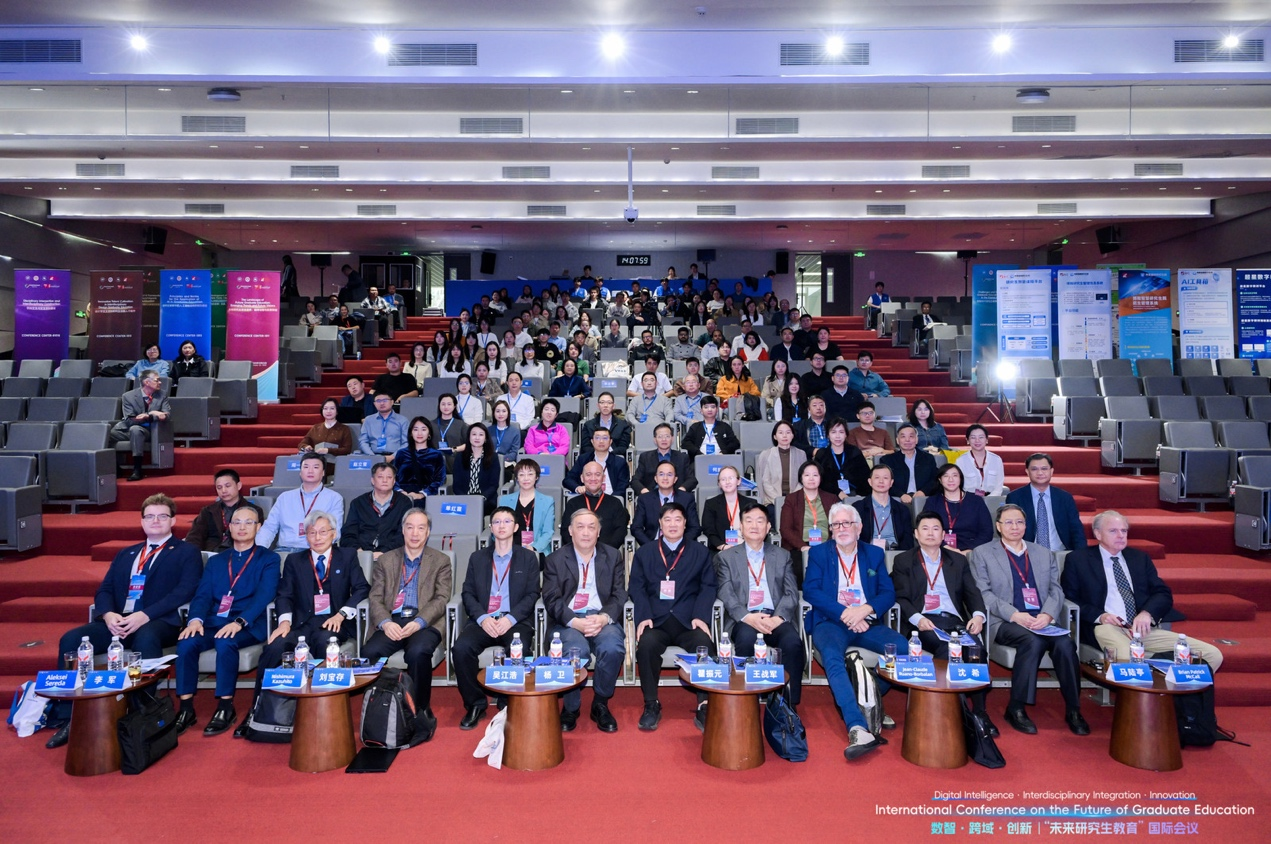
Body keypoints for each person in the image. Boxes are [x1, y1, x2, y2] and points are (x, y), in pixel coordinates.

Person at [46, 494, 201, 749]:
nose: (155, 521)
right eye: (150, 516)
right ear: (141, 521)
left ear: (173, 520)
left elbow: (185, 590)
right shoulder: (126, 554)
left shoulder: (187, 552)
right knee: (71, 640)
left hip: (159, 622)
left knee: (146, 637)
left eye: (162, 516)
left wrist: (145, 615)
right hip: (118, 622)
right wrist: (108, 615)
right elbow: (104, 590)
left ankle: (143, 711)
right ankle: (69, 717)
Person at [243, 510, 368, 737]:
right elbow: (284, 595)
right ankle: (257, 710)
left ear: (333, 534)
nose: (317, 537)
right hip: (300, 623)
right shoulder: (294, 560)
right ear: (306, 536)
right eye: (312, 533)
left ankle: (325, 713)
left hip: (333, 622)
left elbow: (361, 588)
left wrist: (342, 614)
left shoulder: (347, 556)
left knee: (324, 644)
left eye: (323, 532)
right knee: (274, 648)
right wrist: (284, 623)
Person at [970, 503, 1089, 737]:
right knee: (1032, 641)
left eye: (1019, 522)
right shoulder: (982, 553)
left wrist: (1048, 614)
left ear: (1026, 526)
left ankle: (1074, 709)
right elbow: (983, 593)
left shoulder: (1043, 553)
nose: (1014, 527)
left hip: (1042, 619)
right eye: (1008, 522)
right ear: (998, 526)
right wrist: (1014, 615)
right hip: (1005, 620)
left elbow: (1056, 589)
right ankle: (1016, 708)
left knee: (1065, 644)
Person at [804, 503, 908, 760]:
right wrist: (845, 613)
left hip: (866, 621)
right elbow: (811, 591)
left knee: (902, 649)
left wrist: (864, 610)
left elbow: (888, 593)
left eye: (847, 523)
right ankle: (857, 726)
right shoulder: (819, 553)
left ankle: (870, 699)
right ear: (831, 529)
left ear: (859, 527)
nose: (842, 528)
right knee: (832, 658)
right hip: (831, 621)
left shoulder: (873, 554)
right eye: (836, 524)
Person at [1061, 510, 1224, 670]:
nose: (1120, 535)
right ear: (1098, 534)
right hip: (1104, 627)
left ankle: (1168, 683)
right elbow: (1069, 598)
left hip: (1141, 630)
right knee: (1129, 656)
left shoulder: (1139, 558)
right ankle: (1151, 671)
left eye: (1124, 531)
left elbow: (1162, 593)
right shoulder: (1078, 560)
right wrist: (1101, 616)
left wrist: (1147, 613)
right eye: (1113, 531)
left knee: (1212, 655)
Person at [173, 503, 279, 736]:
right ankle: (186, 709)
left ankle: (225, 706)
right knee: (187, 642)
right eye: (237, 522)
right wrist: (195, 620)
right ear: (229, 527)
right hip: (214, 621)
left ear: (258, 527)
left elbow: (265, 595)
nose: (242, 527)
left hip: (248, 624)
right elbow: (202, 595)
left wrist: (240, 622)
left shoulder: (269, 559)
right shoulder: (216, 561)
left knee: (225, 642)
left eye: (249, 522)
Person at [890, 512, 994, 730]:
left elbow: (972, 592)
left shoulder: (958, 560)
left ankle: (980, 712)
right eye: (925, 528)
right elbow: (901, 597)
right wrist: (917, 618)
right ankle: (954, 714)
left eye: (936, 528)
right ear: (916, 534)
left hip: (954, 621)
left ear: (943, 534)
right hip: (924, 623)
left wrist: (978, 615)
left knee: (976, 650)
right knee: (948, 650)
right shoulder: (904, 560)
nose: (930, 533)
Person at [360, 508, 452, 743]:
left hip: (425, 622)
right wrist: (385, 622)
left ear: (428, 532)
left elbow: (442, 599)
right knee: (370, 651)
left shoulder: (440, 560)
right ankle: (381, 705)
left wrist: (419, 622)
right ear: (402, 530)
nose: (415, 533)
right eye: (410, 527)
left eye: (421, 528)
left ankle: (418, 710)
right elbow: (375, 597)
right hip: (392, 620)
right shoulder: (386, 560)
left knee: (418, 652)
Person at [451, 506, 542, 730]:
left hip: (515, 621)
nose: (502, 526)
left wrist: (510, 619)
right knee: (461, 649)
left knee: (518, 648)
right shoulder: (477, 558)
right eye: (497, 522)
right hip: (484, 620)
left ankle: (507, 701)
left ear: (516, 527)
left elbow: (533, 594)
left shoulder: (528, 558)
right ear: (490, 528)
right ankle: (475, 703)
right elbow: (467, 593)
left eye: (507, 521)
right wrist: (483, 618)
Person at [630, 502, 717, 731]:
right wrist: (644, 616)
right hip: (656, 620)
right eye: (667, 519)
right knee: (646, 645)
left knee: (704, 645)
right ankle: (651, 704)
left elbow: (708, 586)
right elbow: (636, 588)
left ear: (685, 523)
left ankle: (705, 704)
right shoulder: (645, 552)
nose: (672, 524)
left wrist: (700, 616)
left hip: (688, 621)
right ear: (660, 523)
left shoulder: (700, 552)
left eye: (678, 519)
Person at [541, 510, 628, 732]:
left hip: (601, 616)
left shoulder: (613, 556)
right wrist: (574, 621)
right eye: (580, 527)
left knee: (613, 648)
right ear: (570, 531)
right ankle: (571, 708)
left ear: (599, 532)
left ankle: (600, 703)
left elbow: (619, 594)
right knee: (575, 652)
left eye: (592, 527)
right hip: (568, 620)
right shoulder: (555, 559)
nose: (586, 532)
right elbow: (551, 598)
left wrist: (604, 617)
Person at [715, 502, 805, 707]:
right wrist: (748, 617)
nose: (754, 526)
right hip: (744, 618)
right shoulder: (726, 557)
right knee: (746, 640)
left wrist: (778, 618)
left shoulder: (782, 555)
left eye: (760, 521)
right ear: (741, 527)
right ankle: (747, 703)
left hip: (775, 616)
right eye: (749, 521)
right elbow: (725, 592)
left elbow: (791, 593)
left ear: (768, 527)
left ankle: (787, 706)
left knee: (792, 643)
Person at [257, 454, 344, 554]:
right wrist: (259, 551)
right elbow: (269, 528)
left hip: (315, 551)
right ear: (300, 472)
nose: (310, 471)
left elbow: (334, 531)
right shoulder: (285, 497)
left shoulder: (334, 498)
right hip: (285, 549)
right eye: (306, 467)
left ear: (323, 472)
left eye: (315, 467)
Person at [1005, 453, 1087, 552]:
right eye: (1034, 469)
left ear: (1051, 471)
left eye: (1044, 469)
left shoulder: (1064, 498)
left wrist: (1081, 555)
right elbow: (1010, 530)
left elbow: (1076, 529)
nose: (1040, 473)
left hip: (1060, 552)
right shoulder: (1015, 497)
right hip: (1028, 553)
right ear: (1027, 472)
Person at [779, 461, 839, 584]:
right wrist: (802, 546)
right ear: (801, 478)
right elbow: (785, 529)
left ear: (820, 478)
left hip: (827, 545)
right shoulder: (791, 499)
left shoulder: (831, 499)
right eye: (807, 475)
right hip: (799, 547)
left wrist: (829, 544)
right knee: (798, 569)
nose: (811, 478)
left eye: (815, 475)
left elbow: (838, 524)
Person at [340, 462, 413, 557]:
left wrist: (384, 552)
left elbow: (404, 534)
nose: (385, 480)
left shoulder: (404, 502)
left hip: (392, 554)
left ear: (394, 481)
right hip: (361, 553)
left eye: (389, 477)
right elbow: (348, 533)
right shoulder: (358, 503)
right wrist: (359, 551)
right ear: (372, 480)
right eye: (380, 477)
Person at [110, 369, 170, 481]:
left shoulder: (162, 395)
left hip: (151, 431)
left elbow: (166, 415)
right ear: (147, 382)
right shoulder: (128, 396)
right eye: (157, 380)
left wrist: (149, 416)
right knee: (108, 434)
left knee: (136, 430)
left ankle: (137, 469)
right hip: (129, 428)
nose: (160, 382)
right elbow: (130, 419)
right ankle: (116, 467)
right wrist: (153, 414)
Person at [923, 463, 994, 553]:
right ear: (940, 480)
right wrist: (947, 548)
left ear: (961, 478)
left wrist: (969, 550)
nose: (951, 479)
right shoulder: (932, 502)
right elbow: (926, 529)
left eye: (955, 475)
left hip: (973, 550)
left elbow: (987, 532)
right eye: (946, 476)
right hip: (941, 549)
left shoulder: (976, 501)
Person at [561, 461, 631, 550]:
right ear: (582, 478)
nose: (593, 478)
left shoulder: (615, 503)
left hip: (607, 553)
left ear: (603, 478)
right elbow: (565, 530)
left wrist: (605, 551)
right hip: (576, 553)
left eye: (597, 475)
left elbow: (620, 531)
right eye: (588, 475)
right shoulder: (573, 503)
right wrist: (578, 550)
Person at [498, 459, 557, 559]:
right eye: (521, 475)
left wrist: (533, 547)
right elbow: (499, 528)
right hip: (510, 550)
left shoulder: (547, 501)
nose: (526, 478)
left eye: (530, 474)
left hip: (537, 550)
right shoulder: (505, 500)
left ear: (536, 477)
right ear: (517, 478)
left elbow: (548, 532)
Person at [632, 461, 701, 546]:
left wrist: (680, 544)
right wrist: (650, 546)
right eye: (661, 474)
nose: (665, 478)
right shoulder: (645, 499)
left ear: (675, 479)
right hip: (653, 545)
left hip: (681, 546)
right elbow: (636, 528)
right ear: (656, 478)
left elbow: (695, 528)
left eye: (669, 475)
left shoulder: (687, 498)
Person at [852, 463, 915, 552]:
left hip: (895, 553)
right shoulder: (858, 508)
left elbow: (908, 541)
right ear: (870, 482)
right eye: (877, 477)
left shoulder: (902, 510)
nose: (881, 481)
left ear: (891, 483)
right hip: (867, 552)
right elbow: (853, 537)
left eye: (885, 478)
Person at [185, 468, 249, 553]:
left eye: (227, 486)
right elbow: (195, 536)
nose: (223, 490)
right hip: (211, 553)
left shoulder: (252, 511)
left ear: (238, 486)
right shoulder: (208, 511)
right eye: (219, 487)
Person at [879, 423, 938, 503]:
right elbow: (884, 482)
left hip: (924, 499)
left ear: (916, 440)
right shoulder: (887, 460)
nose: (907, 440)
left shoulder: (928, 458)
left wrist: (923, 492)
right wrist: (901, 495)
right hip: (897, 500)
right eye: (903, 436)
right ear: (897, 440)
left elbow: (935, 480)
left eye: (911, 436)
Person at [702, 466, 755, 553]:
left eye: (731, 478)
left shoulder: (751, 503)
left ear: (738, 481)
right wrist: (722, 546)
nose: (727, 482)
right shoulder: (711, 504)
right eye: (723, 479)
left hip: (748, 548)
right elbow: (709, 530)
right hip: (723, 549)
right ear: (719, 484)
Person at [451, 423, 503, 513]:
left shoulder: (493, 457)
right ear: (469, 437)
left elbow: (493, 485)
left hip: (486, 499)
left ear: (485, 438)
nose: (477, 438)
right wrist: (466, 499)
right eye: (474, 434)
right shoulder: (460, 457)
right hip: (464, 498)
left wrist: (481, 498)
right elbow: (456, 485)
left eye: (481, 435)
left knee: (476, 509)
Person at [632, 423, 697, 493]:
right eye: (660, 437)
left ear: (672, 439)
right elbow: (635, 480)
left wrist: (681, 490)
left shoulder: (682, 457)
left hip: (676, 495)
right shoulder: (645, 457)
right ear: (655, 440)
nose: (664, 439)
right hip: (652, 494)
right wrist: (645, 492)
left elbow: (692, 479)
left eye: (667, 436)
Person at [814, 418, 870, 500]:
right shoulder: (822, 454)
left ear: (846, 434)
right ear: (828, 435)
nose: (837, 436)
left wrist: (859, 496)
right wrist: (838, 492)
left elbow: (865, 477)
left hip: (855, 494)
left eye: (841, 432)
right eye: (833, 432)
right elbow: (821, 481)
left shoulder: (854, 452)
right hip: (830, 495)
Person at [756, 421, 807, 509]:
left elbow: (802, 480)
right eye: (780, 433)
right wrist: (779, 500)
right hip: (772, 500)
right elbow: (765, 482)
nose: (784, 436)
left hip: (795, 499)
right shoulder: (766, 454)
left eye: (788, 432)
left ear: (792, 435)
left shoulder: (801, 454)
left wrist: (791, 499)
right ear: (775, 436)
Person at [395, 416, 446, 500]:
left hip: (426, 496)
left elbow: (439, 480)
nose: (419, 433)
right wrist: (400, 492)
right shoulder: (401, 453)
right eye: (415, 429)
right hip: (402, 496)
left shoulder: (436, 455)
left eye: (423, 429)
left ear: (429, 433)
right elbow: (392, 477)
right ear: (411, 433)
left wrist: (422, 494)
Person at [956, 423, 1006, 496]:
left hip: (992, 499)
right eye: (973, 437)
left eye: (981, 437)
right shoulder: (961, 461)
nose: (977, 440)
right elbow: (959, 486)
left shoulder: (996, 460)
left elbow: (998, 486)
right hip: (969, 499)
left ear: (987, 440)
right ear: (967, 440)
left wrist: (989, 499)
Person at [359, 392, 410, 458]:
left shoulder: (402, 420)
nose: (382, 403)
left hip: (396, 457)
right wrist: (372, 456)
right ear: (374, 404)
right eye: (378, 401)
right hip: (372, 456)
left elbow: (406, 443)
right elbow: (363, 441)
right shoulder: (368, 420)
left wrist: (393, 456)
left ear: (392, 402)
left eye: (385, 400)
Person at [433, 394, 469, 459]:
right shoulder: (431, 424)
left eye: (449, 404)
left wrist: (454, 449)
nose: (446, 407)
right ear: (439, 406)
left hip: (456, 459)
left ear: (454, 406)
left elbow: (469, 443)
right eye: (443, 404)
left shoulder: (461, 424)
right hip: (435, 460)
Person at [488, 399, 522, 466]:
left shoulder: (515, 431)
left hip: (507, 462)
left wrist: (500, 459)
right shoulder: (488, 430)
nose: (501, 414)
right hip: (490, 462)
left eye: (504, 411)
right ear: (493, 413)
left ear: (508, 413)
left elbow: (514, 453)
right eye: (498, 411)